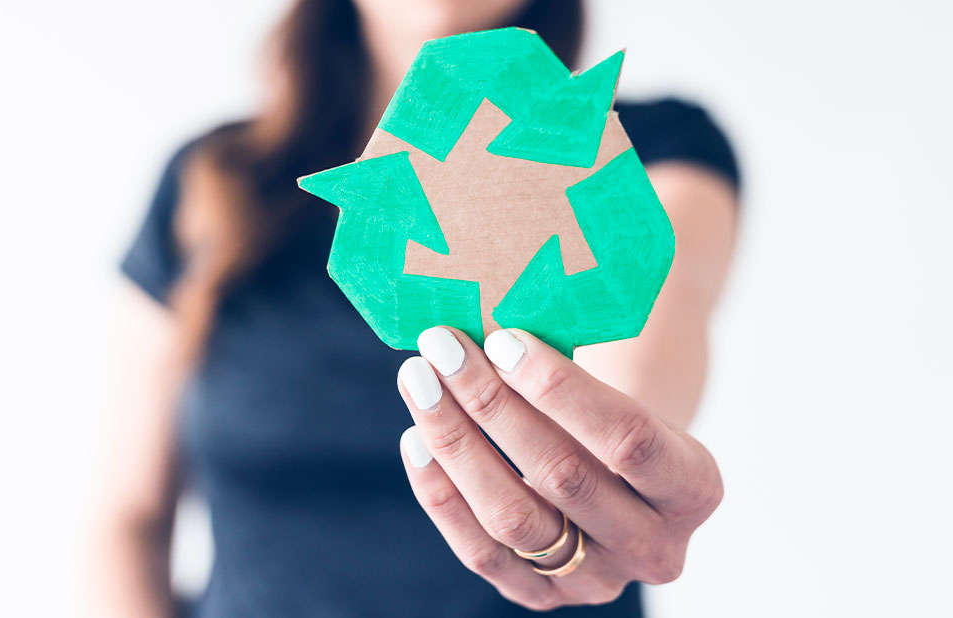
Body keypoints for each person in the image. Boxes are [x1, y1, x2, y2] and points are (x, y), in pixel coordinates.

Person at [88, 0, 739, 616]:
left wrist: (621, 470)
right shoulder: (213, 183)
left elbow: (648, 349)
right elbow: (127, 517)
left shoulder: (648, 149)